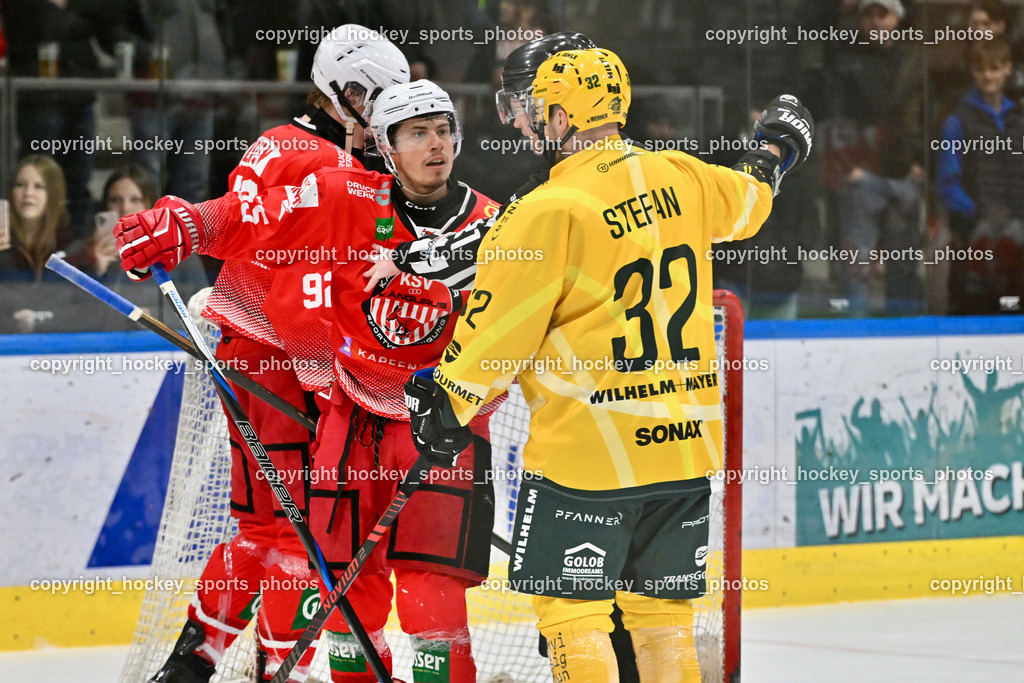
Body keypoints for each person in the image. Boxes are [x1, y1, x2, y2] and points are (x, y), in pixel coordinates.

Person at [404, 48, 811, 681]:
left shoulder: (546, 208)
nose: (533, 123)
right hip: (683, 451)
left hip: (587, 456)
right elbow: (752, 200)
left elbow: (498, 331)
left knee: (572, 617)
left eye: (541, 111)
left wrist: (447, 402)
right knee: (664, 619)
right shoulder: (682, 174)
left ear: (562, 116)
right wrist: (775, 147)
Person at [115, 80, 502, 683]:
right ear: (386, 145)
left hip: (444, 430)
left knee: (431, 596)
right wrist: (189, 225)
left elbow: (515, 326)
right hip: (351, 424)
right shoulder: (342, 196)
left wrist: (473, 395)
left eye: (445, 130)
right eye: (419, 133)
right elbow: (255, 220)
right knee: (349, 595)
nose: (438, 145)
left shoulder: (493, 226)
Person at [131, 26, 409, 683]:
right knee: (303, 531)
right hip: (283, 363)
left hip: (249, 356)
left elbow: (240, 222)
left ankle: (192, 663)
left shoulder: (280, 141)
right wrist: (326, 384)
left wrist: (190, 222)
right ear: (348, 92)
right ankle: (285, 666)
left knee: (260, 527)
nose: (393, 119)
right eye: (385, 100)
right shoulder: (325, 163)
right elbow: (301, 284)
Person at [823, 0, 926, 315]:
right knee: (856, 273)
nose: (875, 21)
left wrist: (921, 164)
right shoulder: (844, 60)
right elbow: (833, 116)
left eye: (882, 14)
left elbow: (928, 115)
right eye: (868, 14)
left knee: (903, 271)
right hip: (861, 179)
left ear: (897, 17)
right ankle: (852, 342)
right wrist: (849, 168)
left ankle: (907, 346)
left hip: (906, 176)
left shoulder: (915, 60)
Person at [936, 38, 1024, 314]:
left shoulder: (1020, 120)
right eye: (981, 69)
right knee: (974, 309)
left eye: (995, 68)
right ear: (973, 71)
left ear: (1007, 69)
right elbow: (947, 182)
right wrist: (981, 215)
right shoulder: (956, 121)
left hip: (1019, 233)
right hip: (975, 236)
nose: (988, 76)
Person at [0, 155, 104, 333]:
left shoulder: (73, 249)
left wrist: (39, 319)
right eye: (20, 185)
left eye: (38, 186)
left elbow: (86, 312)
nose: (28, 193)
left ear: (53, 194)